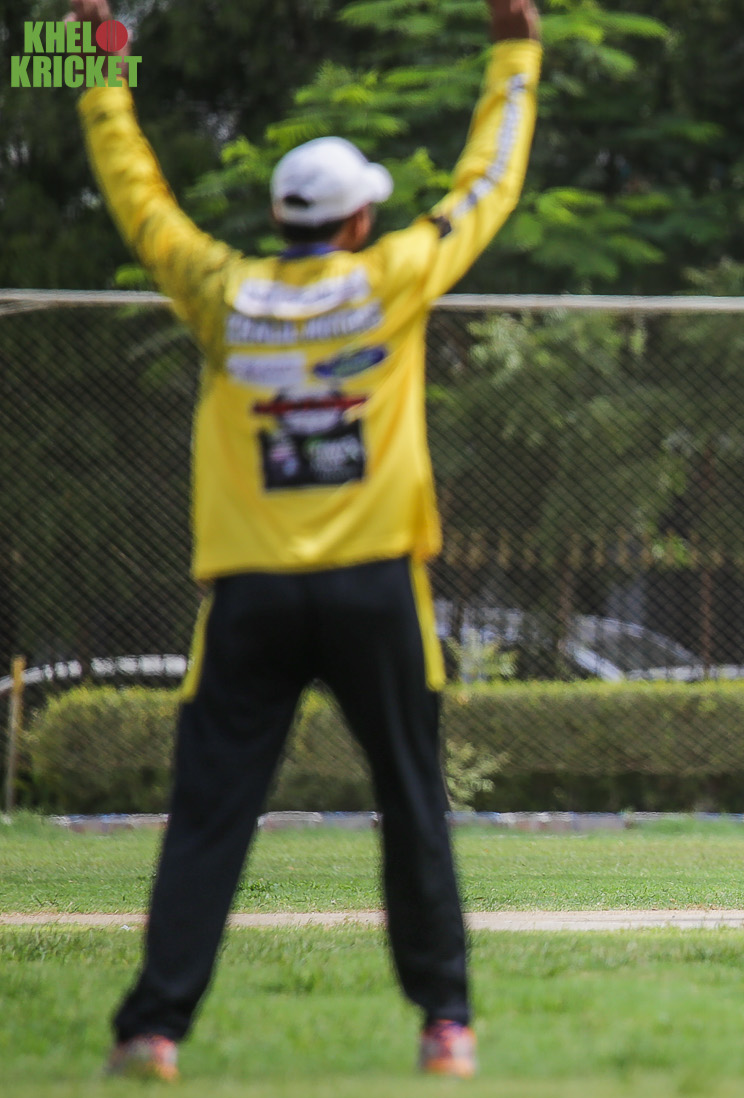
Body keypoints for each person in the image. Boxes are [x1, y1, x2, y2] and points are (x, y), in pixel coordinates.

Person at [69, 0, 543, 1080]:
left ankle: (152, 1031)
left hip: (249, 596)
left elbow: (138, 197)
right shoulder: (391, 278)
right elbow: (486, 186)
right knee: (412, 807)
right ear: (358, 222)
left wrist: (100, 70)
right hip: (376, 590)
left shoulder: (219, 290)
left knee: (208, 818)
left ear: (283, 218)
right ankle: (446, 1025)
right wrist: (514, 54)